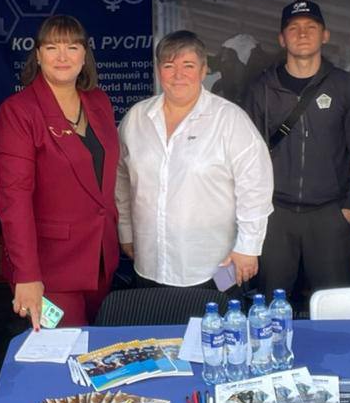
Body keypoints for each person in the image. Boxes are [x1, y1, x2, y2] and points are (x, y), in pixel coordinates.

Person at [0, 15, 119, 329]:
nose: (63, 56)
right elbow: (13, 199)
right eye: (52, 47)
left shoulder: (99, 102)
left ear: (85, 55)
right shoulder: (19, 112)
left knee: (98, 350)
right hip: (51, 269)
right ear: (37, 55)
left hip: (101, 260)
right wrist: (27, 275)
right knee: (65, 352)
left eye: (72, 47)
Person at [116, 30, 273, 288]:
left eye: (188, 65)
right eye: (169, 66)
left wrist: (248, 247)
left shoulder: (230, 119)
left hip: (216, 267)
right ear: (158, 70)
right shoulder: (136, 118)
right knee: (152, 315)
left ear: (203, 70)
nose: (178, 75)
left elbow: (256, 188)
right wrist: (125, 230)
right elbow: (121, 178)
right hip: (149, 263)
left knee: (216, 314)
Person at [242, 0, 350, 307]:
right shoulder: (261, 89)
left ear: (325, 35)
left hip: (329, 213)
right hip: (275, 213)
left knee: (335, 304)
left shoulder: (345, 86)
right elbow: (245, 157)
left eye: (311, 27)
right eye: (293, 28)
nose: (302, 34)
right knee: (270, 304)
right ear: (281, 38)